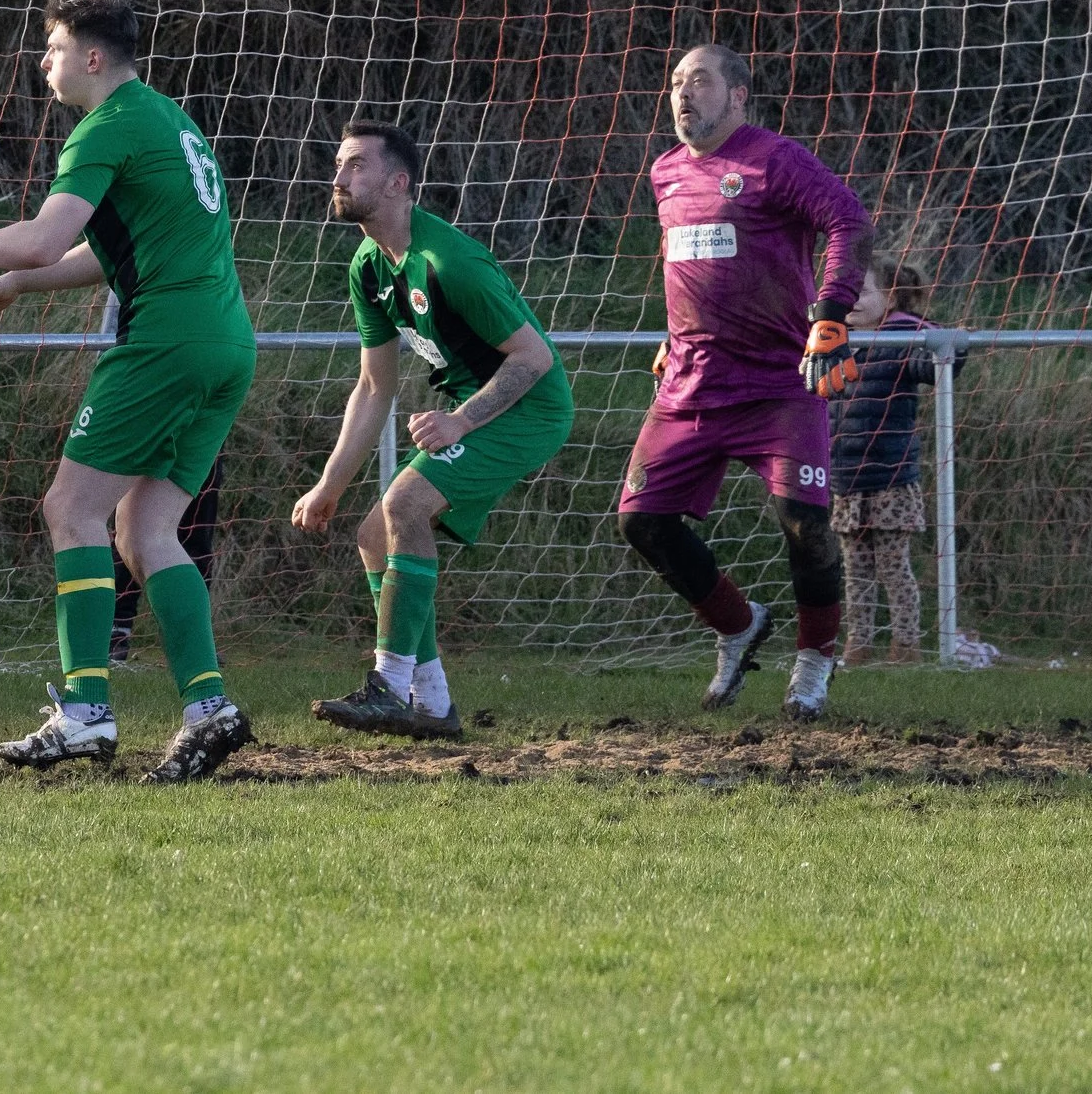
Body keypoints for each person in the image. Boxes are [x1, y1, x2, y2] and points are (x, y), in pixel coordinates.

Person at [0, 0, 256, 783]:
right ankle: (209, 711)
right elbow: (118, 250)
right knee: (145, 529)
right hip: (225, 342)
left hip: (164, 340)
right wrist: (20, 290)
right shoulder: (169, 120)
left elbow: (44, 237)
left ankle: (85, 712)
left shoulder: (107, 125)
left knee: (71, 509)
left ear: (92, 58)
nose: (43, 62)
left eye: (53, 48)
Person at [291, 122, 573, 740]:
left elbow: (533, 359)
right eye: (338, 165)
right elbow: (373, 387)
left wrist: (461, 420)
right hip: (479, 407)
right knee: (373, 535)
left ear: (399, 182)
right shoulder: (368, 265)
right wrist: (329, 484)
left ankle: (387, 686)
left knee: (404, 503)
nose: (338, 178)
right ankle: (433, 703)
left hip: (531, 408)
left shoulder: (452, 261)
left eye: (356, 166)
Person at [617, 44, 873, 722]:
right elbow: (686, 258)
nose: (682, 94)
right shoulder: (666, 171)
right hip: (692, 381)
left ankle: (815, 661)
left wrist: (831, 316)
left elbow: (848, 219)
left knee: (806, 526)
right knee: (641, 522)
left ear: (738, 95)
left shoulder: (776, 160)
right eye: (675, 82)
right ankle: (737, 625)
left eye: (699, 80)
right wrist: (675, 331)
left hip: (779, 382)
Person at [834, 261, 956, 666]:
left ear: (891, 297)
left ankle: (906, 647)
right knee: (856, 571)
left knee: (893, 566)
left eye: (862, 292)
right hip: (847, 480)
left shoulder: (905, 337)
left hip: (891, 478)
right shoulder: (831, 342)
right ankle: (859, 644)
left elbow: (932, 367)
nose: (851, 300)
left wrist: (947, 348)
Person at [112, 458, 222, 664]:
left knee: (197, 537)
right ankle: (116, 629)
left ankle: (195, 639)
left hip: (202, 437)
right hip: (148, 434)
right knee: (133, 530)